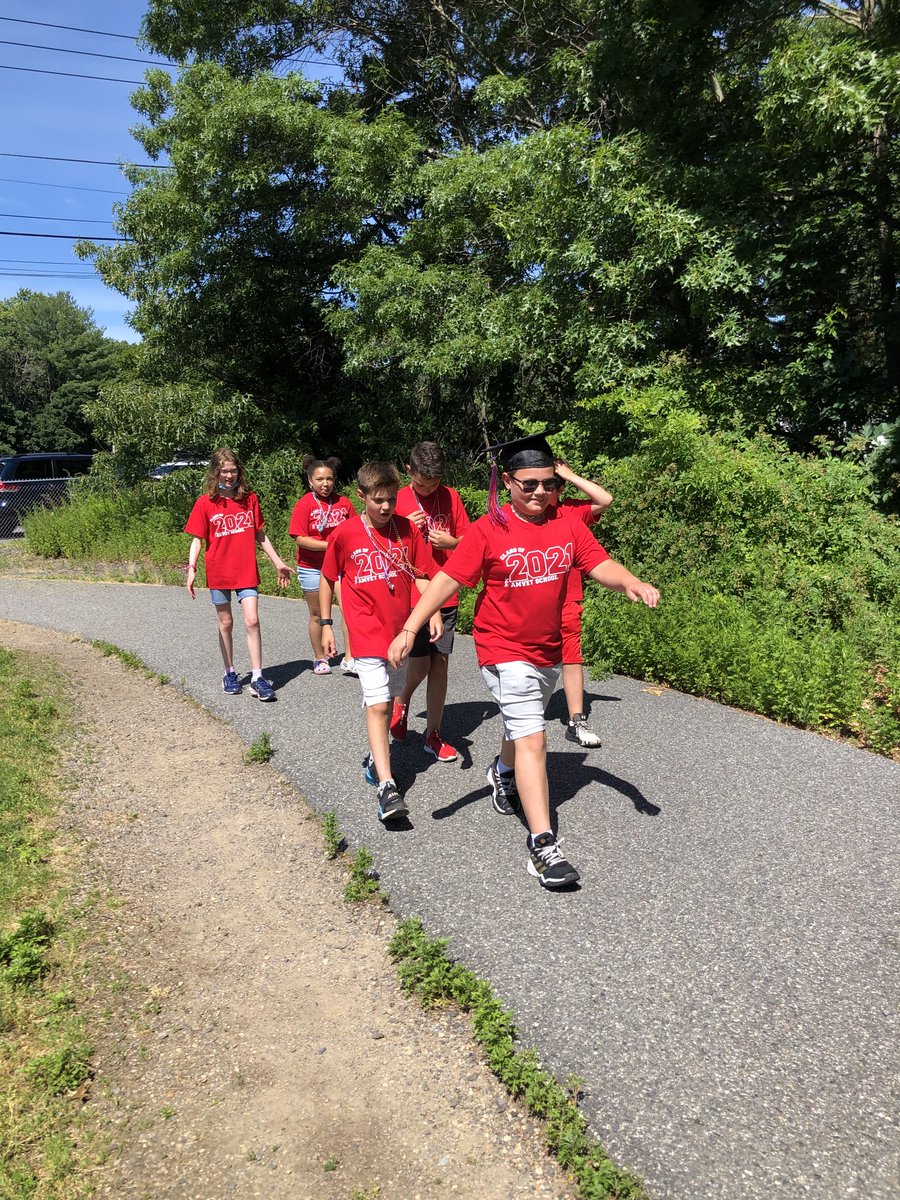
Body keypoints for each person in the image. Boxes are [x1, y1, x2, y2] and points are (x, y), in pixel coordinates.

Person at [387, 433, 659, 889]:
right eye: (529, 484)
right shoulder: (488, 529)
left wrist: (630, 581)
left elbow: (599, 563)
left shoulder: (566, 523)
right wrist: (411, 627)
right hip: (502, 649)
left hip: (547, 650)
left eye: (549, 484)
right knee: (534, 738)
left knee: (522, 727)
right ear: (508, 482)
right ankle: (543, 845)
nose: (540, 492)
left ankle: (502, 771)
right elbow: (447, 580)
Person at [319, 462, 442, 823]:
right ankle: (388, 787)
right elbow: (328, 577)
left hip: (399, 632)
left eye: (391, 499)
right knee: (376, 705)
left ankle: (377, 759)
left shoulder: (406, 530)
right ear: (362, 496)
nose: (386, 507)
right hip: (365, 632)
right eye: (378, 500)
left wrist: (433, 610)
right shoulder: (345, 534)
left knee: (389, 699)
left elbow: (423, 574)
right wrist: (327, 625)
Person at [185, 447, 293, 701]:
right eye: (224, 471)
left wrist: (278, 562)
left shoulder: (249, 499)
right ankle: (230, 673)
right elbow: (197, 540)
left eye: (233, 470)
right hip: (219, 572)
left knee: (252, 620)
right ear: (215, 472)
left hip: (246, 571)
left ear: (239, 471)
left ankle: (257, 677)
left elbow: (260, 534)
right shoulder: (205, 503)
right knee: (226, 623)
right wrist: (191, 569)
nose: (229, 475)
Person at [392, 440, 471, 763]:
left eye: (434, 483)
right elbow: (383, 547)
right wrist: (406, 529)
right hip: (411, 594)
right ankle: (401, 701)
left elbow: (470, 542)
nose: (428, 489)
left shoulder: (451, 497)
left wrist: (451, 542)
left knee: (439, 663)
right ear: (409, 471)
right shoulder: (396, 500)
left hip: (446, 591)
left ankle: (433, 734)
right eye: (422, 483)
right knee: (418, 663)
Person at [551, 460, 613, 748]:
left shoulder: (572, 511)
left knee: (571, 657)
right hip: (530, 600)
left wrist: (569, 474)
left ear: (561, 489)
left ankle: (576, 720)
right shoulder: (522, 514)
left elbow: (605, 500)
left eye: (552, 485)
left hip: (567, 599)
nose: (543, 491)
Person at [288, 455, 357, 676]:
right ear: (310, 481)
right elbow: (300, 538)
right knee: (317, 614)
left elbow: (354, 530)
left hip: (341, 566)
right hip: (312, 566)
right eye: (319, 479)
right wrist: (331, 546)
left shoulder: (344, 503)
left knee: (349, 610)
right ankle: (319, 658)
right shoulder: (304, 504)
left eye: (329, 479)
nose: (325, 484)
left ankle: (350, 657)